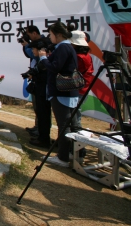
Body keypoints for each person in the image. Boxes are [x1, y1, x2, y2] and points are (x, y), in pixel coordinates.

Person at [38, 21, 81, 167]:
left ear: (59, 34)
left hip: (61, 91)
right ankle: (75, 154)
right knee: (73, 125)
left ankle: (62, 157)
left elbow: (55, 67)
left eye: (51, 35)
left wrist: (43, 58)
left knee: (64, 126)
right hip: (69, 91)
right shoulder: (68, 47)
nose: (50, 38)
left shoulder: (63, 47)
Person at [20, 25, 45, 138]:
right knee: (37, 106)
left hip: (41, 80)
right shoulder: (36, 43)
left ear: (34, 33)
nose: (28, 37)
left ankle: (41, 131)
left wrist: (27, 46)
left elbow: (34, 56)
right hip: (36, 78)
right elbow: (29, 55)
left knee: (42, 108)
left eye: (29, 34)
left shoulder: (42, 43)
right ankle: (38, 127)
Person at [27, 39, 51, 148]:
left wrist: (34, 76)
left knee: (43, 115)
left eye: (33, 49)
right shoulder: (40, 60)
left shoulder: (45, 60)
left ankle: (44, 139)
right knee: (41, 115)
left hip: (43, 92)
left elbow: (45, 76)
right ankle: (42, 137)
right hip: (40, 90)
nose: (32, 51)